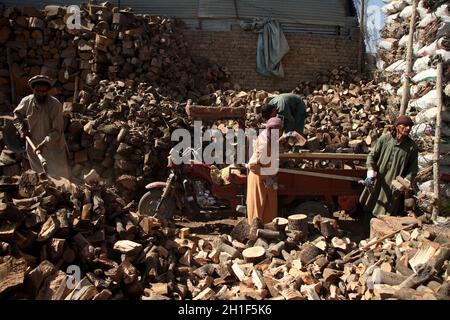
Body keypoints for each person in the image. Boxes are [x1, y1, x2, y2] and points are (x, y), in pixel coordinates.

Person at [359, 115, 419, 225]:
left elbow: (413, 168)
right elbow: (371, 156)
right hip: (378, 181)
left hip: (394, 185)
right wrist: (370, 173)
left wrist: (406, 180)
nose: (408, 128)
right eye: (405, 125)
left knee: (388, 210)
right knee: (370, 205)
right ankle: (365, 232)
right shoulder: (385, 139)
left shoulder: (411, 147)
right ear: (397, 126)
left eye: (410, 126)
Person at [13, 75, 70, 179]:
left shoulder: (55, 105)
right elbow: (17, 115)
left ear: (48, 90)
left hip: (54, 146)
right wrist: (22, 128)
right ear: (33, 89)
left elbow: (57, 131)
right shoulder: (27, 101)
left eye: (44, 91)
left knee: (59, 178)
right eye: (38, 90)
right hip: (33, 145)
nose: (41, 94)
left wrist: (44, 143)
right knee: (41, 178)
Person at [246, 117, 286, 225]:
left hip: (268, 179)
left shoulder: (269, 136)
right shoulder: (264, 144)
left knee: (269, 208)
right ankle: (256, 234)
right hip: (260, 180)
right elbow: (253, 165)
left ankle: (267, 234)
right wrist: (267, 174)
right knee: (259, 209)